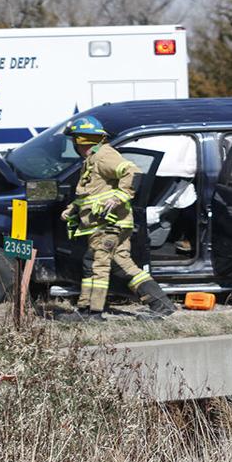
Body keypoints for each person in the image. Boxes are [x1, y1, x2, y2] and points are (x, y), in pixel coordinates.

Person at [60, 116, 176, 322]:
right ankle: (161, 305)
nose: (73, 145)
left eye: (74, 140)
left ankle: (91, 313)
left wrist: (119, 197)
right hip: (107, 224)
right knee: (123, 264)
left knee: (96, 263)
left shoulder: (104, 156)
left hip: (108, 224)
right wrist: (73, 209)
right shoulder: (91, 160)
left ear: (81, 141)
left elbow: (132, 172)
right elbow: (92, 193)